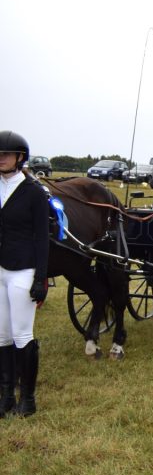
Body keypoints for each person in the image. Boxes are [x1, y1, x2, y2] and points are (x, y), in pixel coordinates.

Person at [0, 131, 49, 418]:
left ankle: (27, 399)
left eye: (6, 154)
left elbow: (42, 238)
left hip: (23, 270)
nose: (2, 159)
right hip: (0, 269)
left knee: (21, 333)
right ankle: (6, 395)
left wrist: (41, 278)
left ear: (20, 158)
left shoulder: (33, 192)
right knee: (2, 335)